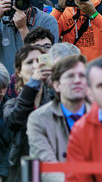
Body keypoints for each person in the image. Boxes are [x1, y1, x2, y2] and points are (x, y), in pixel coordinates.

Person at [26, 54, 89, 182]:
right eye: (70, 76)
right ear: (56, 86)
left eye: (82, 76)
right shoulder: (39, 119)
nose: (77, 80)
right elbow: (47, 167)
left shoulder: (101, 113)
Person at [4, 45, 52, 182]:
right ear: (18, 72)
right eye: (30, 62)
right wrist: (33, 85)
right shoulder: (11, 105)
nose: (36, 66)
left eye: (39, 61)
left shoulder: (54, 100)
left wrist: (52, 85)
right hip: (22, 174)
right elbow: (14, 121)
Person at [0, 0, 59, 75]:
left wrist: (23, 28)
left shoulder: (47, 21)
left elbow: (46, 59)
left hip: (35, 82)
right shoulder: (1, 19)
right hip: (5, 86)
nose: (14, 2)